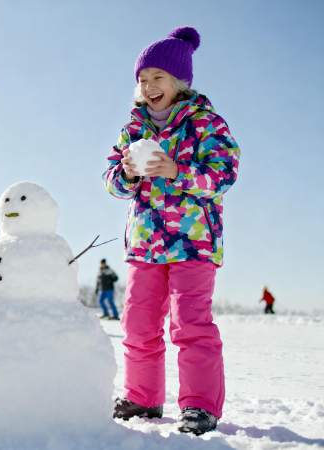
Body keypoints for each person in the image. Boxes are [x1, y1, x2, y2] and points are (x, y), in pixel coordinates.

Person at [103, 27, 240, 435]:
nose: (148, 87)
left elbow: (224, 175)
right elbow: (110, 182)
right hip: (145, 243)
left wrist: (177, 172)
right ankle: (142, 397)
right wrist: (125, 173)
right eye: (143, 80)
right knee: (139, 323)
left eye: (158, 78)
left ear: (179, 81)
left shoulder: (205, 123)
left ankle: (199, 405)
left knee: (190, 323)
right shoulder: (132, 129)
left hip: (193, 243)